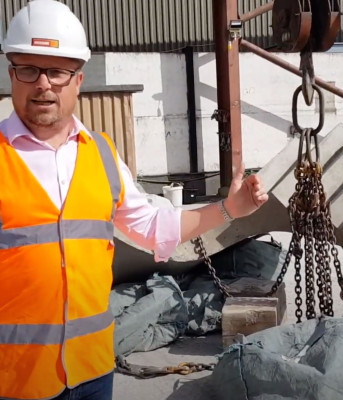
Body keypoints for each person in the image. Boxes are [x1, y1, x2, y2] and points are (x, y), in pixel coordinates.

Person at [0, 1, 268, 399]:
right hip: (16, 380)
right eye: (29, 69)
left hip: (92, 371)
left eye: (57, 70)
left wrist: (230, 209)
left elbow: (154, 228)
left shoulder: (102, 155)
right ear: (11, 75)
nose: (43, 84)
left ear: (78, 80)